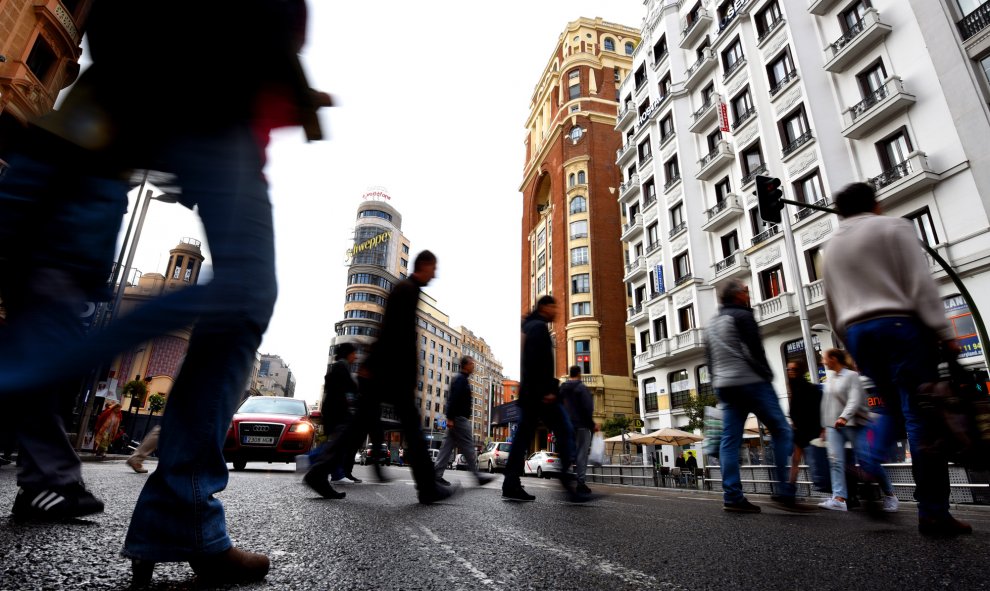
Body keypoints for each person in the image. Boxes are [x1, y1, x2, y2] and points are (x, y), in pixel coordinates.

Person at [0, 0, 330, 584]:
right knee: (245, 294)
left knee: (241, 296)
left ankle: (178, 512)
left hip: (154, 89)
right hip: (210, 90)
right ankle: (178, 510)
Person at [822, 182, 970, 536]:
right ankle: (933, 512)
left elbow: (832, 304)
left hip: (859, 333)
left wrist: (849, 345)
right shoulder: (894, 228)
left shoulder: (832, 247)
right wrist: (945, 334)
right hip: (901, 326)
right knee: (920, 418)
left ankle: (869, 463)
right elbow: (920, 284)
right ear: (874, 204)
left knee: (888, 407)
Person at [306, 251, 459, 505]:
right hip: (390, 373)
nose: (436, 273)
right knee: (411, 426)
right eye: (434, 268)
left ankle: (319, 472)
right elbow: (392, 333)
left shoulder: (408, 290)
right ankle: (426, 487)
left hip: (384, 372)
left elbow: (389, 333)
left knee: (361, 427)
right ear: (424, 265)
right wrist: (391, 370)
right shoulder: (406, 289)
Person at [705, 279, 811, 513]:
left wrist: (718, 384)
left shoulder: (711, 324)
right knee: (782, 430)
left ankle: (732, 496)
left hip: (725, 386)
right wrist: (767, 375)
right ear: (738, 296)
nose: (748, 294)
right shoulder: (742, 317)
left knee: (729, 441)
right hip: (751, 382)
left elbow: (710, 361)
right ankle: (785, 491)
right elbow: (755, 350)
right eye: (745, 291)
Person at [502, 295, 583, 503]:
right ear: (545, 307)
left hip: (531, 393)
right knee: (565, 431)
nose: (556, 310)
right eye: (554, 306)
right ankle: (568, 483)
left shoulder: (530, 327)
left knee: (521, 439)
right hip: (541, 394)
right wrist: (547, 390)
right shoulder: (538, 328)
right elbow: (536, 362)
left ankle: (510, 483)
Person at [817, 348, 898, 513]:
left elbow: (854, 400)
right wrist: (824, 426)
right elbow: (826, 406)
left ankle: (890, 495)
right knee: (835, 461)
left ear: (833, 358)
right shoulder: (830, 379)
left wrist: (844, 417)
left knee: (867, 461)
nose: (822, 361)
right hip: (833, 426)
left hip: (853, 423)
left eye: (824, 358)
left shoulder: (851, 376)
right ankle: (839, 499)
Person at [304, 343, 360, 497]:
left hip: (335, 413)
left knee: (337, 446)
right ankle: (309, 464)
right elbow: (345, 390)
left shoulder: (340, 367)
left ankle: (322, 479)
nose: (356, 357)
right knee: (336, 446)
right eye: (354, 353)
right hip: (338, 414)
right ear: (348, 354)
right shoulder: (340, 368)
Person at [434, 356, 494, 487]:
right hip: (459, 419)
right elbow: (452, 399)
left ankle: (436, 476)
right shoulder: (460, 380)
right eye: (472, 364)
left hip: (456, 419)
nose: (474, 366)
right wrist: (450, 417)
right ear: (465, 365)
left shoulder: (462, 379)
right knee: (468, 447)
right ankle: (477, 476)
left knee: (446, 447)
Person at [786, 360, 829, 492]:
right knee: (795, 460)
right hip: (800, 430)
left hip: (812, 430)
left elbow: (819, 409)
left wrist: (823, 428)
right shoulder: (793, 387)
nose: (790, 371)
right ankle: (790, 489)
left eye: (794, 369)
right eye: (788, 369)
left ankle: (833, 488)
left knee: (818, 460)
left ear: (800, 371)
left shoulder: (810, 389)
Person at [560, 364, 596, 495]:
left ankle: (565, 478)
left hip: (566, 426)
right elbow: (587, 408)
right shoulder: (581, 388)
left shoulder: (562, 388)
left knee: (568, 454)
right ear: (579, 374)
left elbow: (558, 406)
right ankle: (581, 484)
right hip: (581, 426)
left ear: (570, 374)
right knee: (581, 455)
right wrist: (592, 424)